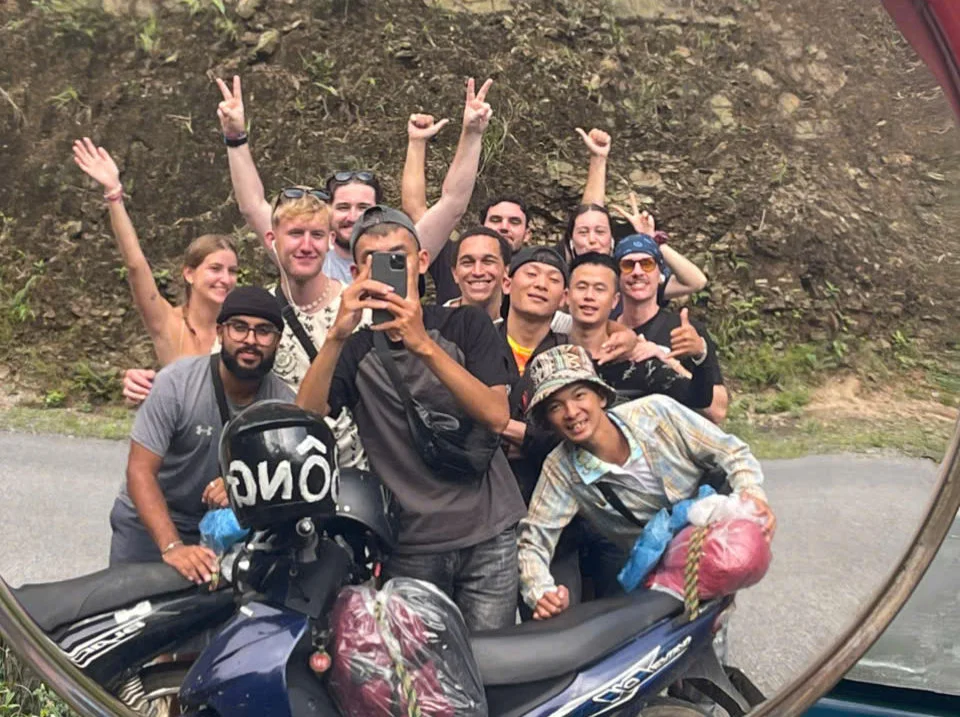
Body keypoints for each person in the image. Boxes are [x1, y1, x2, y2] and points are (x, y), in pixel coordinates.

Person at [296, 205, 526, 631]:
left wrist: (422, 344)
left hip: (487, 532)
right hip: (412, 543)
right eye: (373, 261)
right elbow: (307, 417)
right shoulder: (356, 350)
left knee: (494, 660)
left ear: (421, 261)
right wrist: (337, 334)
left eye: (397, 257)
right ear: (355, 272)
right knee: (420, 667)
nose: (387, 270)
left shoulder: (465, 324)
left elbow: (496, 415)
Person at [516, 344, 774, 620]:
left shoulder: (656, 413)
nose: (571, 412)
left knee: (716, 621)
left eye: (579, 395)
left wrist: (752, 497)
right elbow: (534, 540)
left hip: (716, 541)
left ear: (600, 396)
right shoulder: (561, 469)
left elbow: (731, 451)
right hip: (657, 576)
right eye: (556, 406)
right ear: (548, 420)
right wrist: (541, 592)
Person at [216, 74, 492, 285]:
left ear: (378, 213)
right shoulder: (306, 254)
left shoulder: (398, 255)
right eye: (343, 207)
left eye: (363, 208)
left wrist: (472, 133)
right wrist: (235, 137)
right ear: (327, 212)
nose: (353, 217)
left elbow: (452, 204)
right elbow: (252, 206)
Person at [109, 287, 294, 581]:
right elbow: (140, 471)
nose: (250, 340)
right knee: (130, 605)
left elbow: (287, 482)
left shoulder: (283, 405)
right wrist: (173, 547)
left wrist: (243, 486)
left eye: (264, 331)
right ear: (220, 332)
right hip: (150, 523)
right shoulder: (176, 384)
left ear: (278, 341)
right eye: (239, 327)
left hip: (227, 529)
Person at [73, 138, 239, 398]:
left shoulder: (240, 329)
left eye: (232, 271)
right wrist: (114, 194)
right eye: (215, 268)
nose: (225, 278)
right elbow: (135, 264)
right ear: (189, 274)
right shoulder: (167, 321)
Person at [566, 252, 713, 410]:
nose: (589, 296)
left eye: (599, 289)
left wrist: (700, 355)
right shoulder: (553, 355)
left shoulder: (638, 363)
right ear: (566, 296)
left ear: (615, 301)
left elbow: (698, 399)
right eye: (581, 287)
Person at [614, 234, 730, 423]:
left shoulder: (685, 331)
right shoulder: (604, 331)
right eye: (628, 265)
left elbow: (717, 410)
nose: (637, 271)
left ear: (660, 275)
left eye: (647, 264)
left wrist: (666, 361)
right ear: (617, 276)